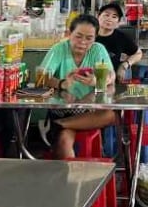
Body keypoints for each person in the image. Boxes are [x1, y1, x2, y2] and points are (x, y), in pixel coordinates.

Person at [39, 14, 117, 159]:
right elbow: (42, 78)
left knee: (111, 115)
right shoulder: (59, 49)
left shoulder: (98, 49)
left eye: (89, 38)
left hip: (89, 112)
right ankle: (72, 181)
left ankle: (59, 125)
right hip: (64, 111)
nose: (83, 42)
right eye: (78, 36)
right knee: (64, 141)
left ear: (95, 38)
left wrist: (97, 81)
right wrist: (62, 83)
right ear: (69, 34)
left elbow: (111, 76)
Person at [95, 2, 142, 79]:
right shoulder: (89, 34)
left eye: (114, 17)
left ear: (118, 22)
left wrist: (124, 65)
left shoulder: (121, 38)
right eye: (106, 15)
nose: (109, 19)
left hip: (111, 81)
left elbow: (138, 53)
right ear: (98, 16)